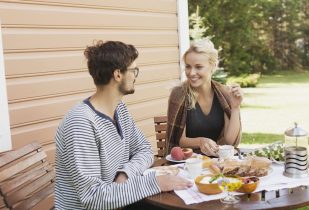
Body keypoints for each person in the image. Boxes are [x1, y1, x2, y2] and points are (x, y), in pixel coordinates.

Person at [55, 40, 192, 210]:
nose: (136, 76)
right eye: (134, 70)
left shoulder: (119, 109)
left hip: (119, 202)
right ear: (118, 74)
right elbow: (92, 198)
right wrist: (155, 183)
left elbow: (144, 149)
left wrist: (125, 174)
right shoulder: (81, 124)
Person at [166, 39, 243, 157]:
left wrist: (235, 107)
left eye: (198, 67)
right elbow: (179, 139)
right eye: (188, 66)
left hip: (218, 161)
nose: (191, 73)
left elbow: (229, 141)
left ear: (212, 66)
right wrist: (201, 141)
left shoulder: (224, 93)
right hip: (188, 162)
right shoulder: (178, 95)